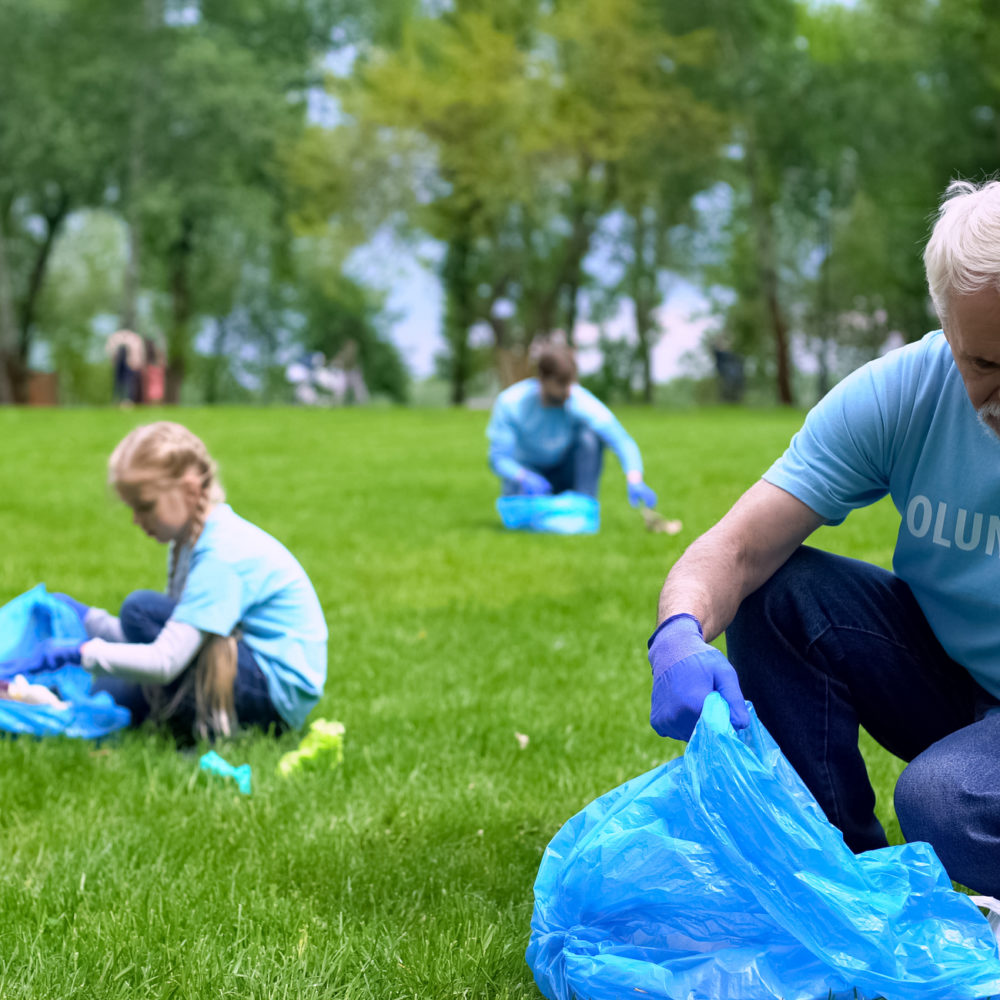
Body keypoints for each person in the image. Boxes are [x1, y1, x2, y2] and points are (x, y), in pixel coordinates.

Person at [645, 179, 1000, 896]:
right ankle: (833, 890)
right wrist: (677, 636)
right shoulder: (903, 394)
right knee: (780, 590)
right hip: (963, 684)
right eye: (986, 364)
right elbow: (736, 550)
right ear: (948, 327)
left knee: (945, 800)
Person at [47, 421, 328, 740]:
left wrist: (80, 651)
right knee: (111, 694)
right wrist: (89, 621)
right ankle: (176, 711)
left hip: (275, 695)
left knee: (140, 611)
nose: (136, 520)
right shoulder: (188, 540)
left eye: (145, 507)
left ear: (190, 489)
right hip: (253, 674)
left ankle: (199, 727)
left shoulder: (222, 555)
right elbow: (173, 636)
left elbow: (166, 658)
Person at [486, 344, 658, 507]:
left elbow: (620, 439)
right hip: (527, 475)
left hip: (564, 469)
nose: (567, 391)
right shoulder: (512, 403)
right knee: (524, 511)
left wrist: (635, 479)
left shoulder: (577, 400)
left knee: (588, 437)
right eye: (560, 384)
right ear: (543, 379)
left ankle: (584, 504)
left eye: (569, 382)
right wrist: (523, 476)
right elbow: (498, 458)